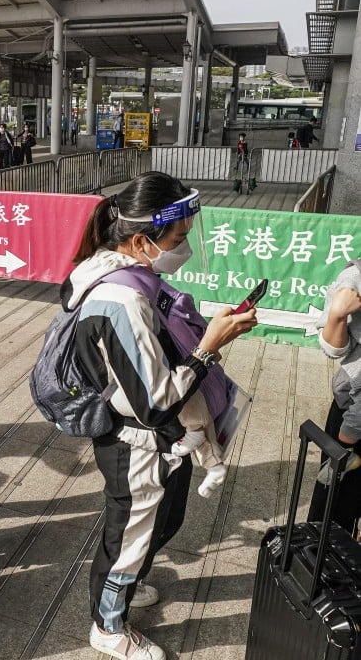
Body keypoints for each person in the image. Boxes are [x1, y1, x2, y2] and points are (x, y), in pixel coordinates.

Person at [67, 171, 258, 660]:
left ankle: (126, 590)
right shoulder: (121, 299)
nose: (184, 247)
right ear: (139, 241)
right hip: (135, 443)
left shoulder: (129, 276)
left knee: (161, 522)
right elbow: (154, 400)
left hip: (160, 441)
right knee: (128, 536)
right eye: (177, 239)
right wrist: (210, 348)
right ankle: (107, 627)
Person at [308, 260, 361, 533]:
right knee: (335, 506)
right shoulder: (353, 277)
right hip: (354, 409)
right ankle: (322, 564)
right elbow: (333, 349)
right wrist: (338, 315)